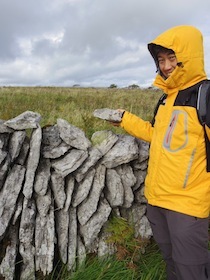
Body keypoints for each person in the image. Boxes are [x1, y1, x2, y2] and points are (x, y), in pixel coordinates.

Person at [111, 25, 210, 280]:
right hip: (157, 201)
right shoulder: (166, 99)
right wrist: (125, 120)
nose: (165, 66)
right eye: (161, 60)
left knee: (192, 270)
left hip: (187, 206)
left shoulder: (205, 96)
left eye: (172, 58)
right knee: (171, 262)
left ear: (188, 57)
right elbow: (158, 137)